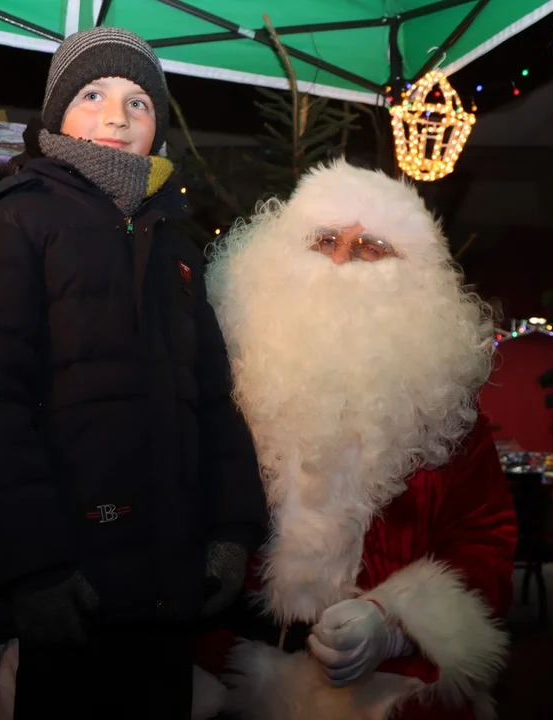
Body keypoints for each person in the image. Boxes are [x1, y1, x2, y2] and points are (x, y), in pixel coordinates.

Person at [0, 27, 267, 720]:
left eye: (139, 101)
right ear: (55, 117)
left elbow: (214, 399)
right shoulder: (16, 224)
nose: (117, 115)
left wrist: (231, 529)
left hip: (169, 583)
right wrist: (35, 566)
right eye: (93, 94)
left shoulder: (175, 246)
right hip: (70, 579)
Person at [193, 160, 519, 719]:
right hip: (222, 676)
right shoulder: (218, 374)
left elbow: (484, 542)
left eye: (369, 247)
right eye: (325, 239)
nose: (341, 257)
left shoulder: (447, 410)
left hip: (386, 696)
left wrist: (393, 623)